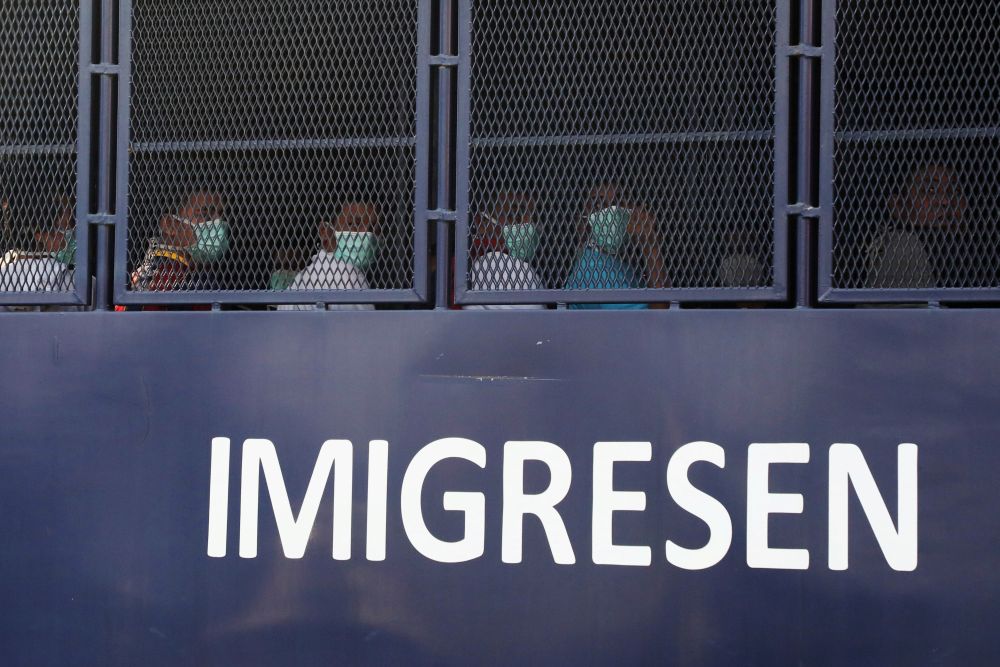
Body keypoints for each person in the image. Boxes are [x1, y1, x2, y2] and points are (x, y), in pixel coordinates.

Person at [564, 183, 667, 309]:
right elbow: (657, 321)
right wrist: (651, 247)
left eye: (620, 201)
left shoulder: (619, 263)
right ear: (584, 218)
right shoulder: (595, 271)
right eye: (598, 205)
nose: (613, 210)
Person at [865, 165, 968, 289]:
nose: (946, 201)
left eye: (956, 191)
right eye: (930, 190)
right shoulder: (903, 247)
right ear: (897, 205)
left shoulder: (963, 252)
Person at [277, 201, 379, 311]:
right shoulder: (345, 276)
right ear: (324, 232)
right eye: (353, 224)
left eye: (374, 229)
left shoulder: (305, 276)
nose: (367, 233)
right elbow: (366, 326)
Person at [130, 190, 230, 292]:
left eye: (221, 215)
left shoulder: (190, 273)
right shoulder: (168, 278)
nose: (218, 223)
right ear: (170, 224)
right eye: (204, 214)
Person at [464, 191, 546, 310]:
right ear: (483, 222)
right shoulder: (495, 263)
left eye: (535, 216)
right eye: (516, 214)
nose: (529, 224)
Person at [0, 196, 75, 301]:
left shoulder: (4, 273)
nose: (66, 234)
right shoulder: (75, 284)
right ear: (39, 235)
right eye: (60, 229)